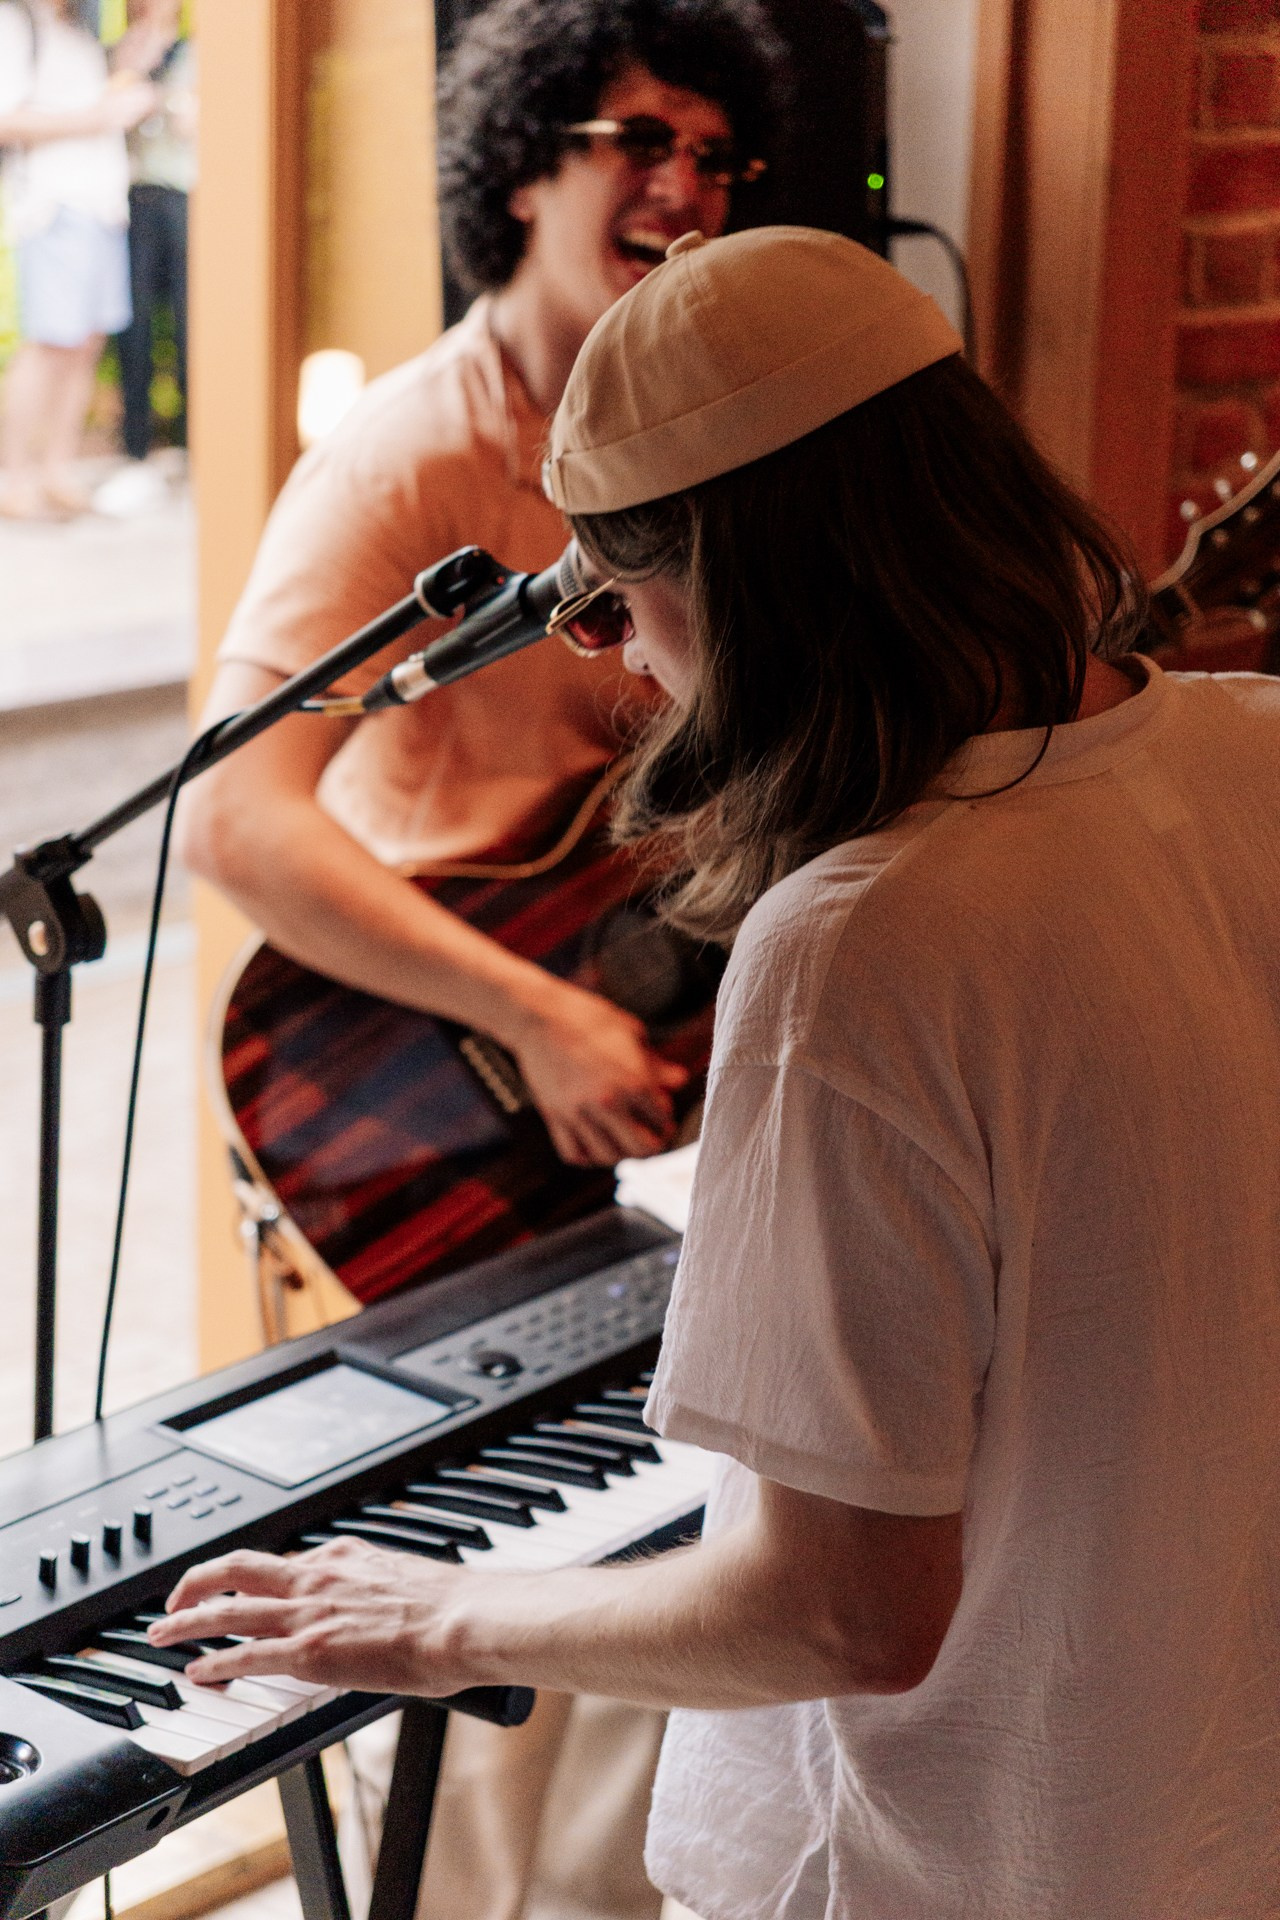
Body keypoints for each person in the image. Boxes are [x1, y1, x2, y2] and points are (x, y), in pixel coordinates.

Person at [159, 226, 1280, 1919]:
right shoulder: (1257, 748)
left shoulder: (862, 948)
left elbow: (837, 1610)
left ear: (756, 586)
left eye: (616, 597)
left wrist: (426, 1616)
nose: (616, 653)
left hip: (965, 1865)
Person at [179, 8, 783, 1917]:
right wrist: (539, 1012)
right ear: (522, 165)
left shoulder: (726, 450)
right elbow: (237, 822)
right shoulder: (411, 457)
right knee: (465, 1681)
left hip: (639, 1092)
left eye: (717, 156)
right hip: (420, 1090)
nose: (684, 187)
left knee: (632, 1611)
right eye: (639, 141)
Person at [0, 0, 154, 517]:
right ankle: (13, 478)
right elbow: (6, 118)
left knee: (86, 342)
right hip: (53, 203)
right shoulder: (16, 23)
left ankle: (57, 472)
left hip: (102, 202)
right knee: (49, 341)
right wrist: (99, 118)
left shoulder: (82, 31)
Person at [93, 0, 195, 519]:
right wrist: (132, 67)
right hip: (132, 198)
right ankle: (135, 447)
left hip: (184, 196)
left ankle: (188, 444)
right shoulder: (118, 53)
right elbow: (105, 112)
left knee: (188, 320)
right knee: (131, 325)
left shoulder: (196, 53)